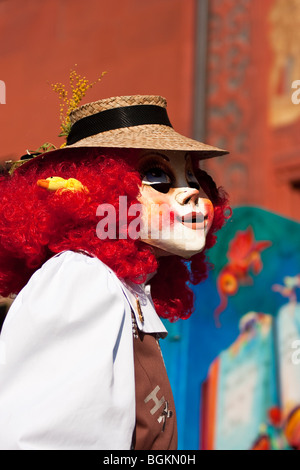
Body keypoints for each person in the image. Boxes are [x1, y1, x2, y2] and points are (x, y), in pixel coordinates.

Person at [0, 94, 229, 450]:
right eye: (157, 175)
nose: (191, 193)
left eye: (194, 177)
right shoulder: (82, 279)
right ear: (93, 193)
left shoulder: (123, 288)